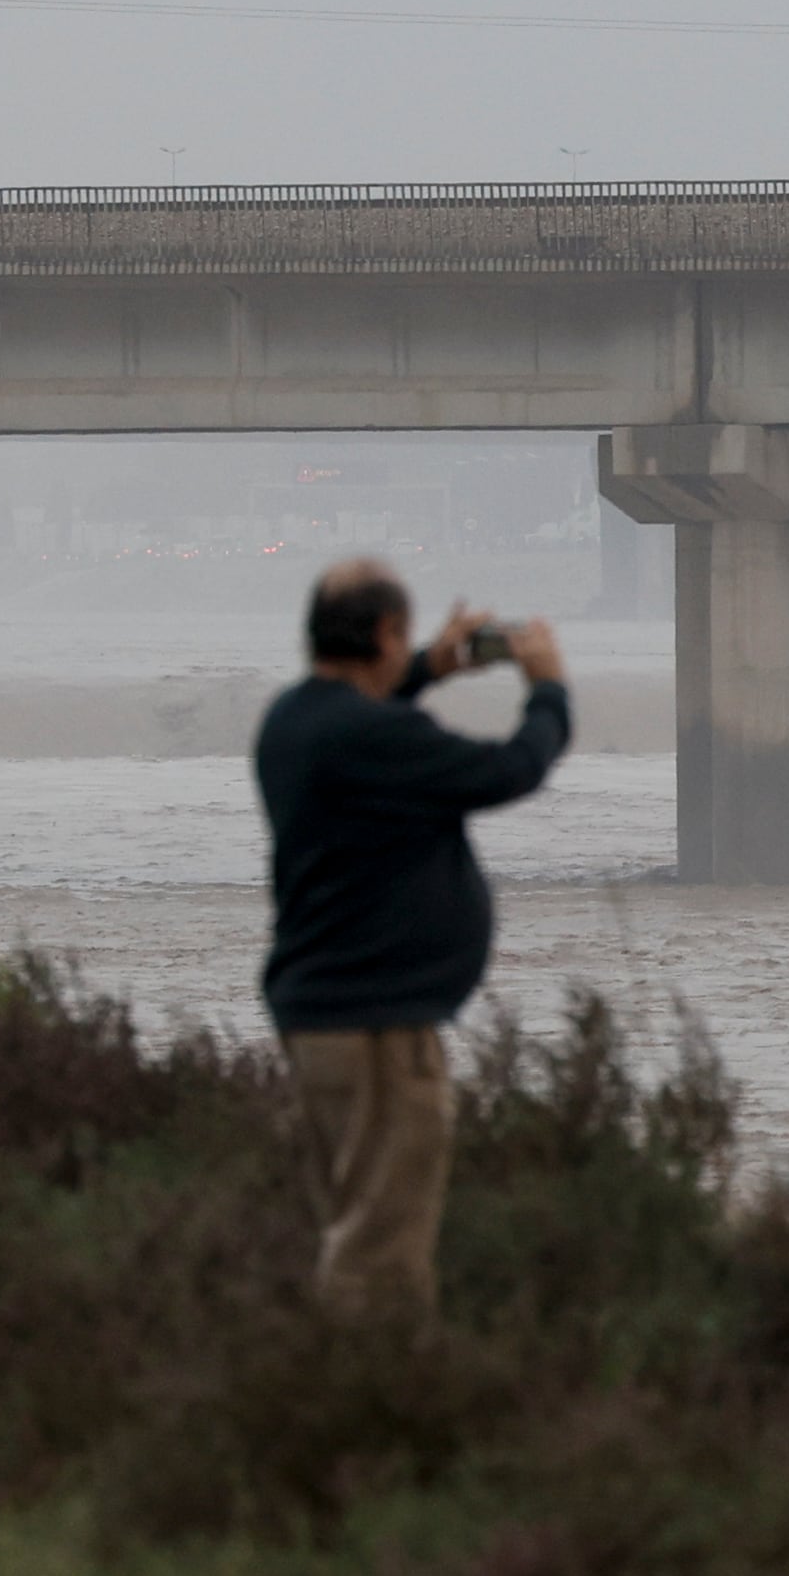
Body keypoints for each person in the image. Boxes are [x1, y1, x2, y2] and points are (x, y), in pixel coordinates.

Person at [254, 559, 571, 1318]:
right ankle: (380, 1416)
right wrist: (547, 689)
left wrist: (429, 665)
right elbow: (510, 768)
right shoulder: (380, 738)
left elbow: (362, 720)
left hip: (317, 1019)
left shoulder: (292, 722)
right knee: (382, 1254)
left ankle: (316, 1402)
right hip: (380, 1032)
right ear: (386, 632)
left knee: (347, 1223)